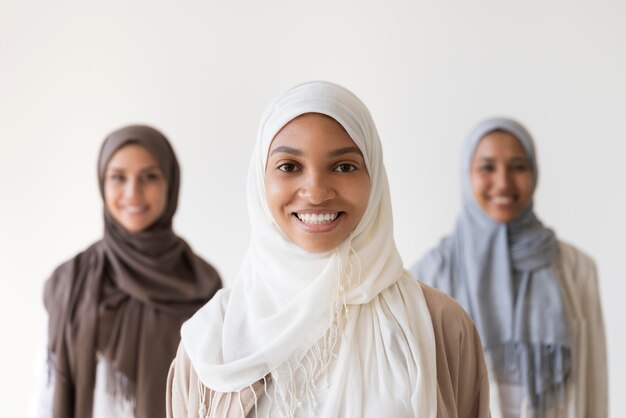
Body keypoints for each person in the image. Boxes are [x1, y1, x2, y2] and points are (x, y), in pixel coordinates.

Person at [166, 81, 490, 418]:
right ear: (260, 182)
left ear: (374, 177)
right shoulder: (211, 342)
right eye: (289, 166)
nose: (316, 192)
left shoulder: (441, 326)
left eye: (344, 166)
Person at [411, 118, 607, 418]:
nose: (503, 182)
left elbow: (594, 384)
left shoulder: (577, 269)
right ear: (468, 174)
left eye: (518, 166)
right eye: (487, 167)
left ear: (534, 173)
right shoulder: (430, 274)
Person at [41, 125, 222, 418]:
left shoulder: (201, 283)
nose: (132, 192)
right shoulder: (69, 281)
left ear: (170, 183)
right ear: (102, 183)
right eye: (118, 177)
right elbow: (47, 395)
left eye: (149, 176)